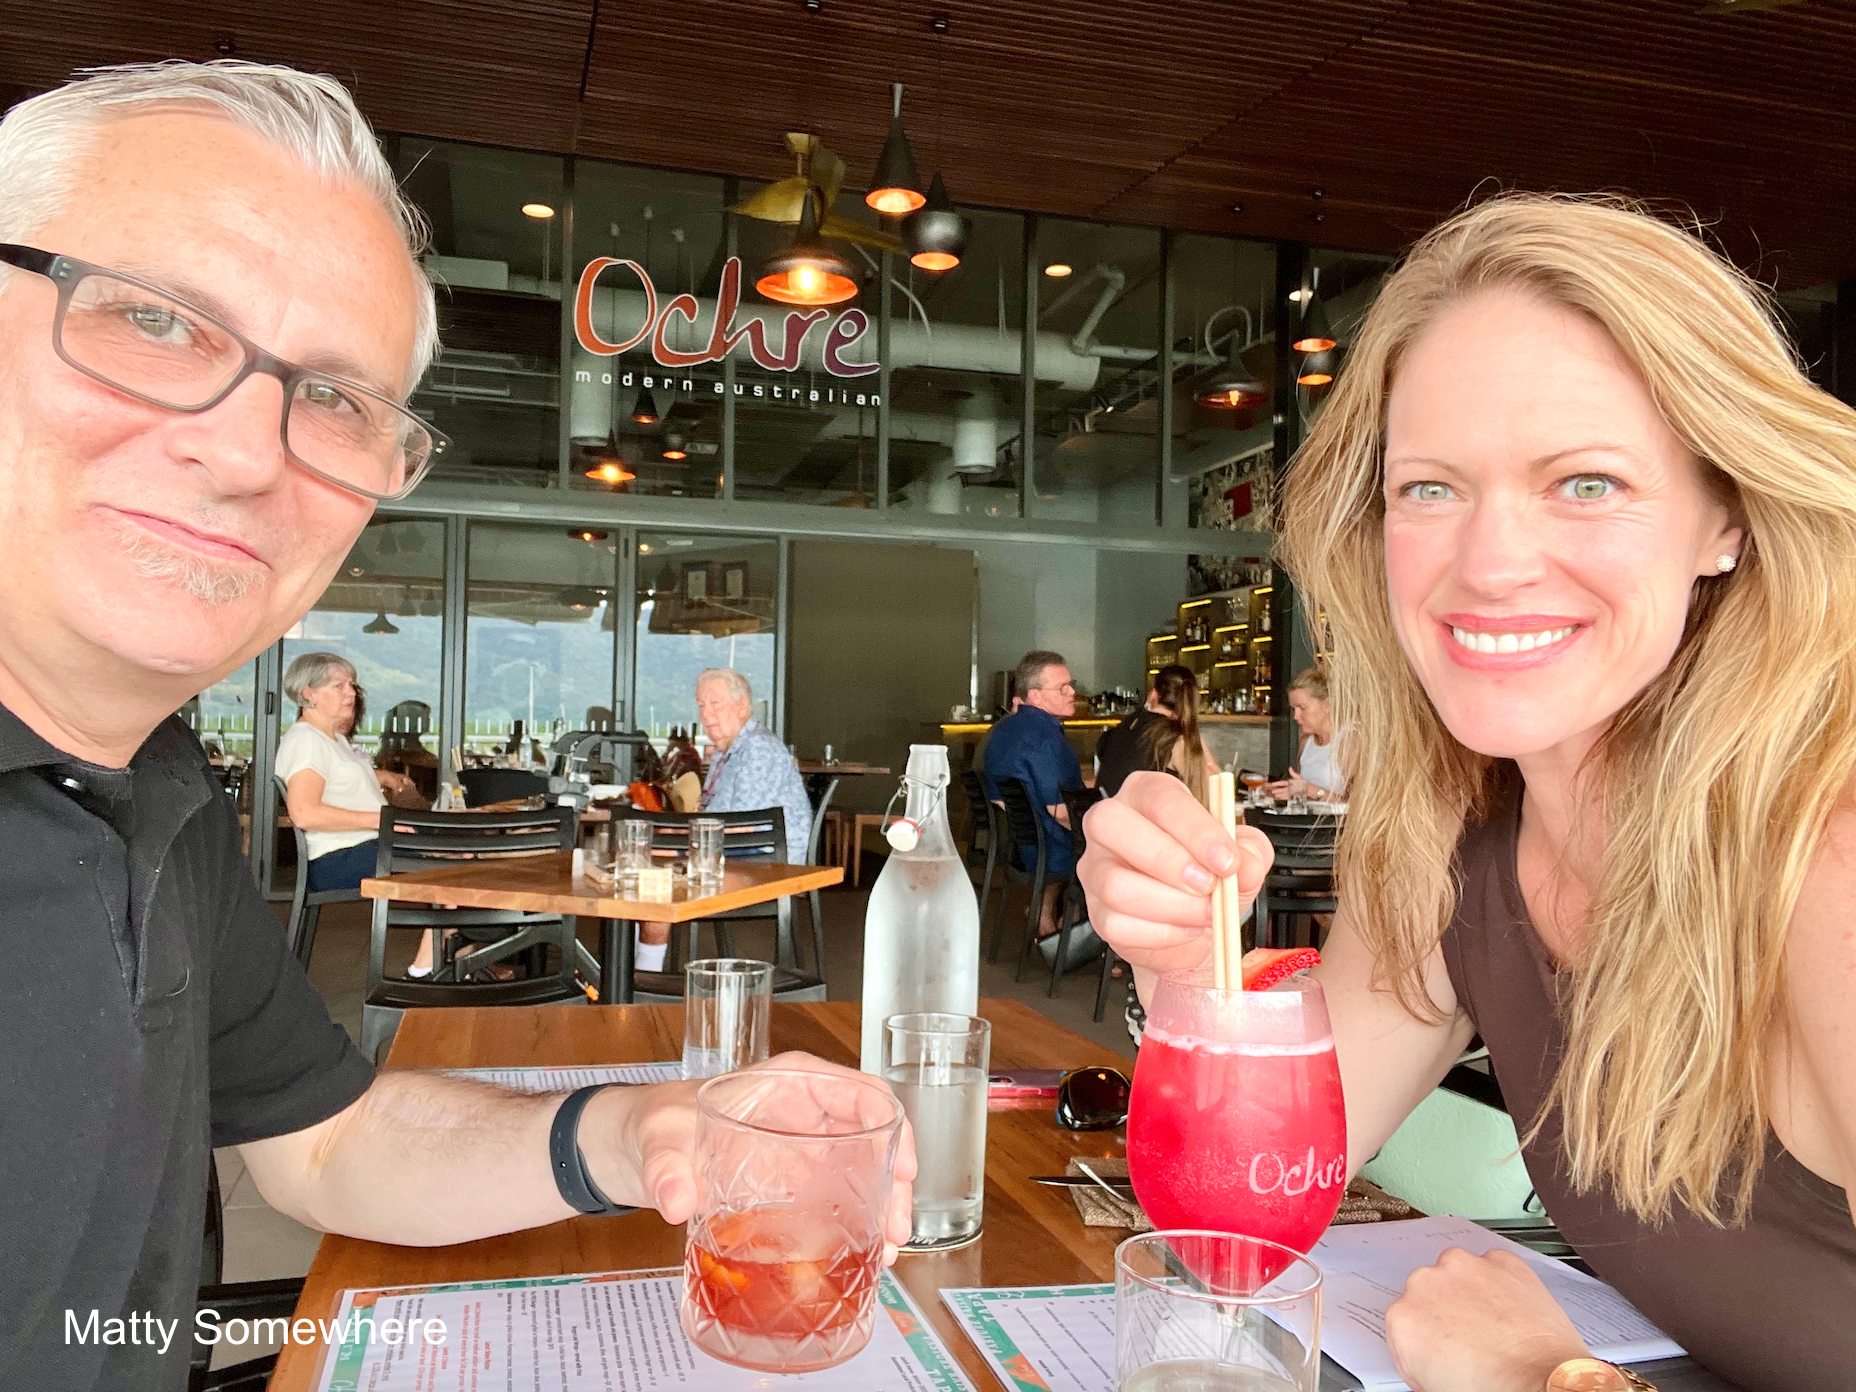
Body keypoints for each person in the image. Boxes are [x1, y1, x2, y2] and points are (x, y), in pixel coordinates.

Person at [0, 61, 911, 1389]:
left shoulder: (156, 784)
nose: (247, 452)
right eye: (155, 320)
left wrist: (643, 1131)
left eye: (334, 399)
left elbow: (325, 1142)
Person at [1079, 193, 1856, 1392]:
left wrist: (1547, 1378)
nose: (1487, 564)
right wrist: (1190, 968)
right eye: (1429, 489)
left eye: (1585, 483)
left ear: (1728, 517)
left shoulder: (1826, 854)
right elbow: (1241, 1211)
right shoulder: (1458, 829)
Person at [276, 653, 413, 892]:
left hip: (367, 848)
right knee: (448, 862)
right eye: (339, 686)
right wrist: (379, 821)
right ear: (309, 694)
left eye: (351, 685)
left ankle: (443, 918)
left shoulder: (333, 739)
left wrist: (383, 777)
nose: (351, 693)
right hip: (339, 858)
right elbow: (304, 813)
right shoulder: (307, 740)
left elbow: (334, 774)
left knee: (452, 855)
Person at [984, 650, 1084, 939]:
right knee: (1110, 846)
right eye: (1062, 688)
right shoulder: (1046, 739)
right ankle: (1076, 930)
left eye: (1070, 685)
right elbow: (1060, 811)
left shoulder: (1003, 730)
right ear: (1035, 695)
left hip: (1017, 842)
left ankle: (1045, 913)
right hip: (1045, 849)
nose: (1072, 692)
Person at [696, 667, 811, 861]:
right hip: (732, 849)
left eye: (715, 704)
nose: (705, 714)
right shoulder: (724, 752)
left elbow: (743, 825)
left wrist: (683, 842)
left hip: (765, 859)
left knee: (659, 853)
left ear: (742, 707)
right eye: (701, 705)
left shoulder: (759, 747)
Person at [1094, 664, 1217, 802]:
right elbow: (1216, 787)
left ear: (1152, 695)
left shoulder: (1128, 723)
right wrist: (1190, 733)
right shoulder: (1173, 737)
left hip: (1098, 811)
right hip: (1133, 815)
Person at [1266, 665, 1347, 801]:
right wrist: (1284, 790)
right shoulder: (1307, 740)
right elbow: (1302, 793)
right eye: (1294, 709)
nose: (1296, 716)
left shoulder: (1348, 741)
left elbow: (1358, 805)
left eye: (1302, 708)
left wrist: (1309, 789)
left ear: (1327, 705)